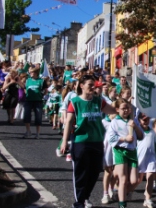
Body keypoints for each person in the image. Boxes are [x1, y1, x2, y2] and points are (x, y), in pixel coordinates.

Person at [60, 74, 117, 208]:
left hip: (97, 141)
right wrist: (64, 142)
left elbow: (114, 111)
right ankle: (79, 202)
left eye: (94, 85)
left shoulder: (99, 101)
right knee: (81, 172)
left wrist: (126, 108)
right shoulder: (75, 102)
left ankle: (86, 197)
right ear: (81, 86)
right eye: (90, 85)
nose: (93, 87)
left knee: (95, 171)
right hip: (81, 141)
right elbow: (68, 122)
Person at [107, 98, 143, 208]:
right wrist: (124, 139)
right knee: (123, 179)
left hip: (132, 151)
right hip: (120, 151)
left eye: (128, 108)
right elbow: (111, 138)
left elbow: (141, 136)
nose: (126, 110)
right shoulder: (114, 122)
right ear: (117, 109)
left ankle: (122, 192)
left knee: (134, 180)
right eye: (123, 108)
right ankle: (122, 204)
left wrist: (136, 127)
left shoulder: (134, 120)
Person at [136, 112, 156, 208]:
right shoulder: (137, 131)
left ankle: (148, 198)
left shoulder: (152, 132)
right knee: (138, 180)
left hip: (151, 158)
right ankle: (128, 191)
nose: (146, 121)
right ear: (139, 120)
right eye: (143, 119)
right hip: (139, 158)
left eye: (147, 119)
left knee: (150, 177)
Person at [22, 67, 48, 139]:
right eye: (30, 73)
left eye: (32, 72)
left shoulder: (41, 81)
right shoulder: (27, 81)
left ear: (36, 73)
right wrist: (27, 93)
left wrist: (41, 94)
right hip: (28, 100)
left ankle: (38, 133)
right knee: (26, 115)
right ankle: (28, 131)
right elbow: (24, 88)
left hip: (38, 101)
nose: (31, 74)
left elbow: (45, 90)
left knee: (38, 117)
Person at [101, 110, 118, 204]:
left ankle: (111, 188)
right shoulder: (104, 122)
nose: (116, 115)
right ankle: (105, 193)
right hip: (107, 150)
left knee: (116, 173)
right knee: (108, 172)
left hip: (117, 150)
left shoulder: (119, 122)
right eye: (115, 113)